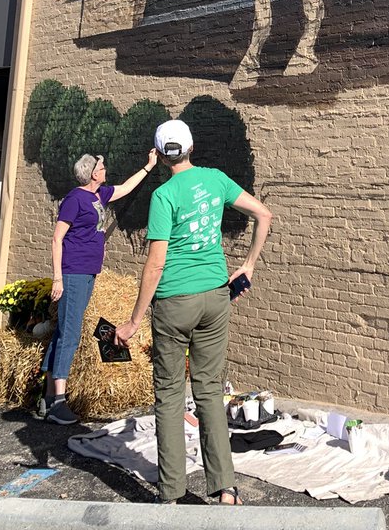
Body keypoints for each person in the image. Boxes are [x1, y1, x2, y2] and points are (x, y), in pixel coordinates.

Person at [114, 119, 273, 506]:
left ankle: (171, 492)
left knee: (169, 396)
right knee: (209, 392)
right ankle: (225, 488)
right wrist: (248, 264)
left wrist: (134, 320)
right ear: (191, 147)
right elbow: (264, 215)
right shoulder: (216, 179)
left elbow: (155, 265)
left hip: (173, 302)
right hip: (216, 297)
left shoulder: (164, 195)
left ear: (161, 154)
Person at [41, 148, 158, 424]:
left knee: (62, 332)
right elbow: (57, 239)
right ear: (94, 173)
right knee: (70, 334)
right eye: (102, 167)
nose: (106, 170)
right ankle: (58, 402)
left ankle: (45, 399)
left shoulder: (99, 195)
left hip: (88, 272)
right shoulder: (74, 200)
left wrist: (149, 165)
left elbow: (126, 188)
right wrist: (58, 278)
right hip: (73, 273)